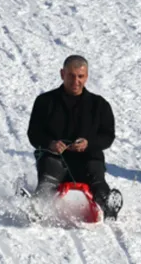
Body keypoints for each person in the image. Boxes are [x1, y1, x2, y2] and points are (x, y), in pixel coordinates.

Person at [27, 55, 122, 219]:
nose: (75, 81)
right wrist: (50, 144)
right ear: (62, 74)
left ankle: (108, 205)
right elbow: (33, 133)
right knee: (49, 176)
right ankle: (37, 207)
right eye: (71, 75)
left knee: (97, 179)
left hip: (88, 157)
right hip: (55, 157)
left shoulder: (99, 105)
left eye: (80, 76)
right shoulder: (45, 101)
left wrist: (88, 143)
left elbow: (108, 136)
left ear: (87, 77)